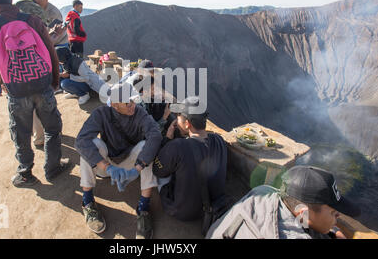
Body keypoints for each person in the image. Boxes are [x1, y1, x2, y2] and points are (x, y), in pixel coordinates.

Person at [0, 0, 70, 187]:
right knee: (52, 128)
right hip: (42, 84)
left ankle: (26, 173)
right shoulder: (32, 20)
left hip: (17, 90)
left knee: (21, 132)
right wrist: (54, 81)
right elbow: (50, 52)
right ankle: (53, 168)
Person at [75, 83, 162, 239]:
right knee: (92, 144)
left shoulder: (139, 113)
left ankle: (143, 208)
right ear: (114, 105)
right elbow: (81, 141)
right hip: (106, 164)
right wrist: (107, 167)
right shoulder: (101, 113)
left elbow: (155, 135)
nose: (133, 106)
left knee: (146, 147)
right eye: (128, 103)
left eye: (133, 101)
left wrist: (137, 169)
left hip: (130, 164)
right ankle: (87, 202)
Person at [206, 165, 361, 239]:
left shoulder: (263, 191)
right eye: (334, 212)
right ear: (303, 212)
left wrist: (332, 233)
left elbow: (303, 221)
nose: (338, 216)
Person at [152, 97, 228, 224]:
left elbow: (157, 170)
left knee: (162, 171)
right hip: (215, 205)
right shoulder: (219, 140)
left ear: (187, 124)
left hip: (184, 212)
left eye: (179, 117)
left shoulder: (177, 146)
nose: (176, 119)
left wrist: (167, 139)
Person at [16, 0, 67, 149]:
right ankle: (50, 139)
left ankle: (38, 138)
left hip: (17, 69)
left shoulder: (15, 8)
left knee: (29, 107)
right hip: (35, 66)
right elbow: (42, 43)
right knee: (44, 106)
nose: (48, 1)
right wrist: (56, 35)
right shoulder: (34, 10)